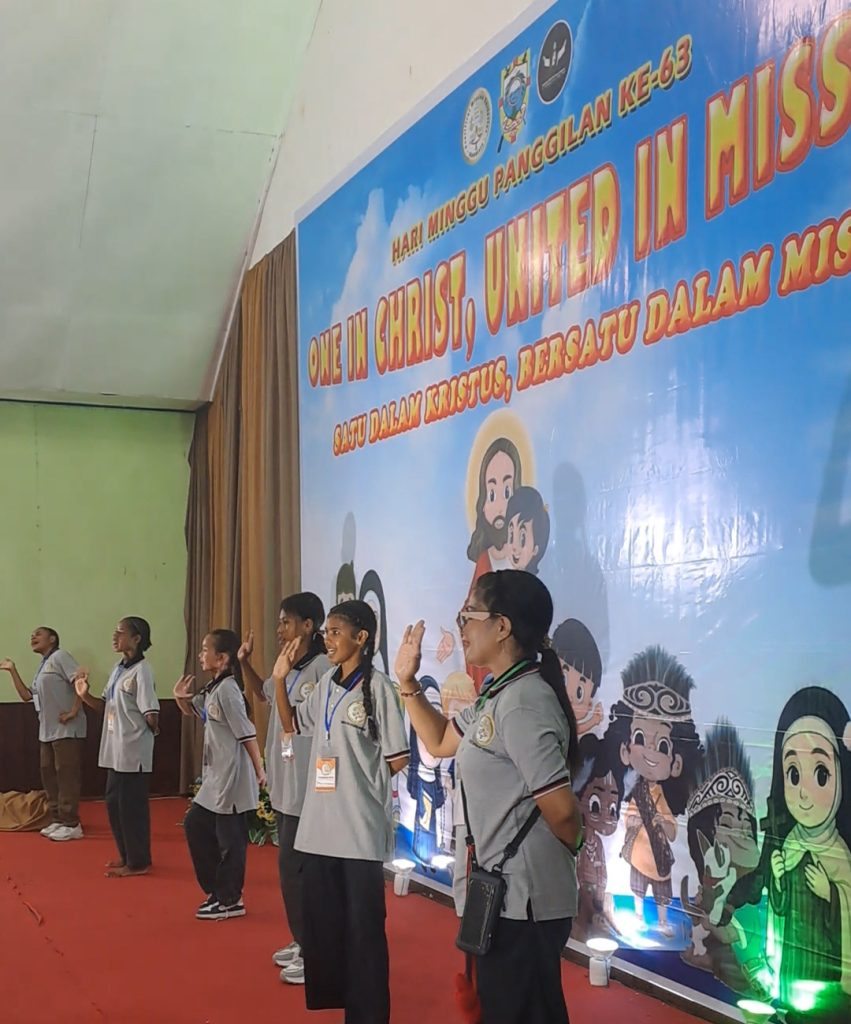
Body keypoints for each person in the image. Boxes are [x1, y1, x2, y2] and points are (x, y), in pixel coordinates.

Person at [395, 569, 582, 1024]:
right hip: (501, 894)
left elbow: (563, 813)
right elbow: (440, 740)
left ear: (502, 627)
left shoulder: (524, 702)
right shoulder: (497, 693)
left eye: (469, 616)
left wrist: (565, 853)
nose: (461, 627)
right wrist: (407, 682)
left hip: (525, 900)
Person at [273, 599, 409, 1024]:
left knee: (364, 932)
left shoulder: (379, 688)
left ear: (361, 637)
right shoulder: (327, 684)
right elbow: (292, 724)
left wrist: (361, 781)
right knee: (326, 927)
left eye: (335, 632)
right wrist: (279, 679)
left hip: (358, 831)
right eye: (326, 633)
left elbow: (398, 758)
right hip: (320, 830)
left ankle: (369, 1015)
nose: (327, 640)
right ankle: (346, 1005)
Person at [238, 593, 331, 982]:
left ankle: (316, 951)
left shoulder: (322, 668)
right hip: (284, 782)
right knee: (290, 870)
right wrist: (244, 662)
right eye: (278, 622)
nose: (279, 629)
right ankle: (302, 938)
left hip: (307, 787)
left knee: (301, 871)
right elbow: (263, 695)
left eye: (286, 622)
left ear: (309, 625)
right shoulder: (288, 666)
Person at [173, 629, 266, 921]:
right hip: (215, 778)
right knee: (195, 825)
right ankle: (217, 889)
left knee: (231, 842)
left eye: (206, 649)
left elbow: (246, 733)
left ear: (222, 658)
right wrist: (179, 698)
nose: (202, 655)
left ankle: (230, 899)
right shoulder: (213, 688)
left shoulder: (228, 690)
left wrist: (259, 770)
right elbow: (195, 712)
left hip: (233, 779)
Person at [74, 616, 159, 876]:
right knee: (114, 804)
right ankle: (127, 855)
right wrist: (84, 695)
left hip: (133, 751)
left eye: (121, 632)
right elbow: (104, 706)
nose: (115, 636)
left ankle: (138, 863)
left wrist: (149, 733)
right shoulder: (118, 669)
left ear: (137, 638)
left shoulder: (143, 671)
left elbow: (151, 713)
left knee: (131, 808)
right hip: (114, 750)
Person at [1, 626, 86, 841]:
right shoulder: (43, 666)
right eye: (32, 635)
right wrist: (12, 670)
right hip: (47, 730)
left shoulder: (61, 656)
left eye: (38, 634)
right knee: (49, 774)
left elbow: (80, 682)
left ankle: (71, 823)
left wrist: (73, 711)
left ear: (53, 638)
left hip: (66, 729)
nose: (33, 637)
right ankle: (57, 818)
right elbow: (27, 696)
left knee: (66, 776)